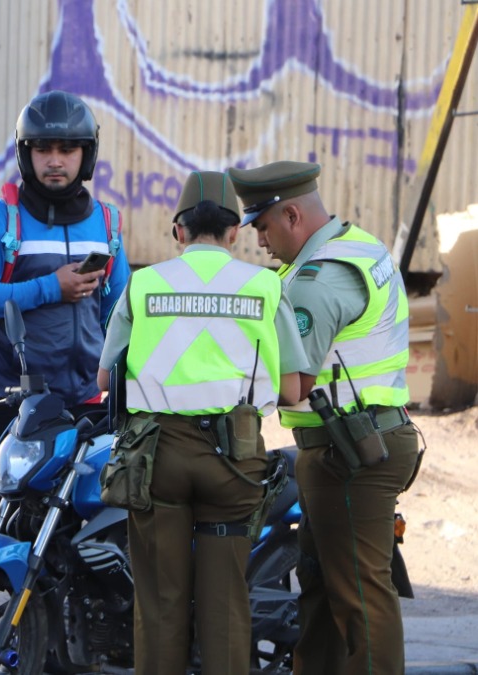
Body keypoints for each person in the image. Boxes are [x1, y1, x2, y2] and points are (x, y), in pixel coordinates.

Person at [97, 170, 308, 675]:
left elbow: (105, 377)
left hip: (157, 461)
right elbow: (293, 389)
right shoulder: (264, 287)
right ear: (234, 233)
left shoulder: (143, 285)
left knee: (161, 603)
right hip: (234, 462)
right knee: (226, 606)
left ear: (179, 232)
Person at [228, 160, 421, 675]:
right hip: (361, 439)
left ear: (291, 215)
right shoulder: (358, 245)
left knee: (359, 594)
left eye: (263, 227)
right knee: (321, 586)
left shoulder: (318, 281)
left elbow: (294, 384)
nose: (260, 241)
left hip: (350, 451)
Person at [0, 90, 130, 533]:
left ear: (86, 155)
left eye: (67, 149)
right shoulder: (0, 219)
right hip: (10, 396)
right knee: (2, 514)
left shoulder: (106, 223)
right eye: (43, 149)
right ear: (25, 153)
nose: (55, 160)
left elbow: (120, 311)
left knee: (75, 522)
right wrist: (52, 287)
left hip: (86, 400)